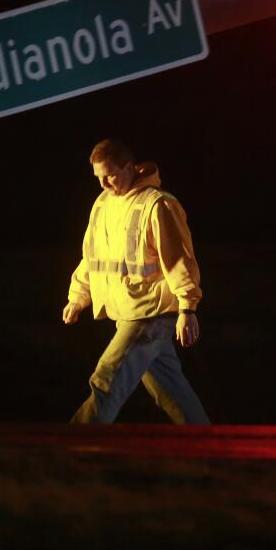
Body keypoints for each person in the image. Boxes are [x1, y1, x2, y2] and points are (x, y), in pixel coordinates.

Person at [62, 138, 209, 424]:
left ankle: (70, 445)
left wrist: (187, 309)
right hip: (128, 311)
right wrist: (78, 296)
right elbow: (92, 256)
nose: (103, 184)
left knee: (107, 380)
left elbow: (178, 259)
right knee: (171, 390)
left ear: (130, 167)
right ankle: (211, 444)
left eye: (110, 175)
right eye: (98, 177)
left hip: (149, 314)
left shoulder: (158, 205)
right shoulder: (103, 204)